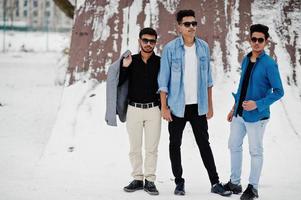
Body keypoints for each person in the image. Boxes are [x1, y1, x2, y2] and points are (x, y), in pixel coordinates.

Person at [158, 9, 231, 197]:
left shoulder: (203, 48)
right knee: (175, 144)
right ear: (179, 26)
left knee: (204, 144)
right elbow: (163, 81)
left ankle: (215, 182)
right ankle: (179, 182)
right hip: (176, 106)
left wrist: (210, 106)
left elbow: (207, 80)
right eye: (187, 24)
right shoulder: (170, 49)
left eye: (194, 23)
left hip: (198, 106)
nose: (191, 27)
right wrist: (164, 107)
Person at [224, 24, 284, 200]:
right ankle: (235, 183)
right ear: (249, 40)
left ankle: (253, 188)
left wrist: (257, 104)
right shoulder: (246, 58)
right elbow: (242, 85)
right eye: (253, 39)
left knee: (255, 151)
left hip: (257, 117)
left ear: (266, 41)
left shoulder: (269, 64)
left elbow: (279, 91)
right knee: (233, 145)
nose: (256, 43)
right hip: (239, 115)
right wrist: (234, 108)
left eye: (260, 40)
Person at [119, 28, 161, 195]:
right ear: (139, 41)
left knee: (152, 148)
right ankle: (137, 178)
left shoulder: (160, 62)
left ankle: (150, 180)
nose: (148, 44)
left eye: (152, 41)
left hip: (153, 110)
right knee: (134, 147)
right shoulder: (131, 60)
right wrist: (124, 67)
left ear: (155, 43)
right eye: (145, 40)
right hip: (134, 109)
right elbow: (119, 83)